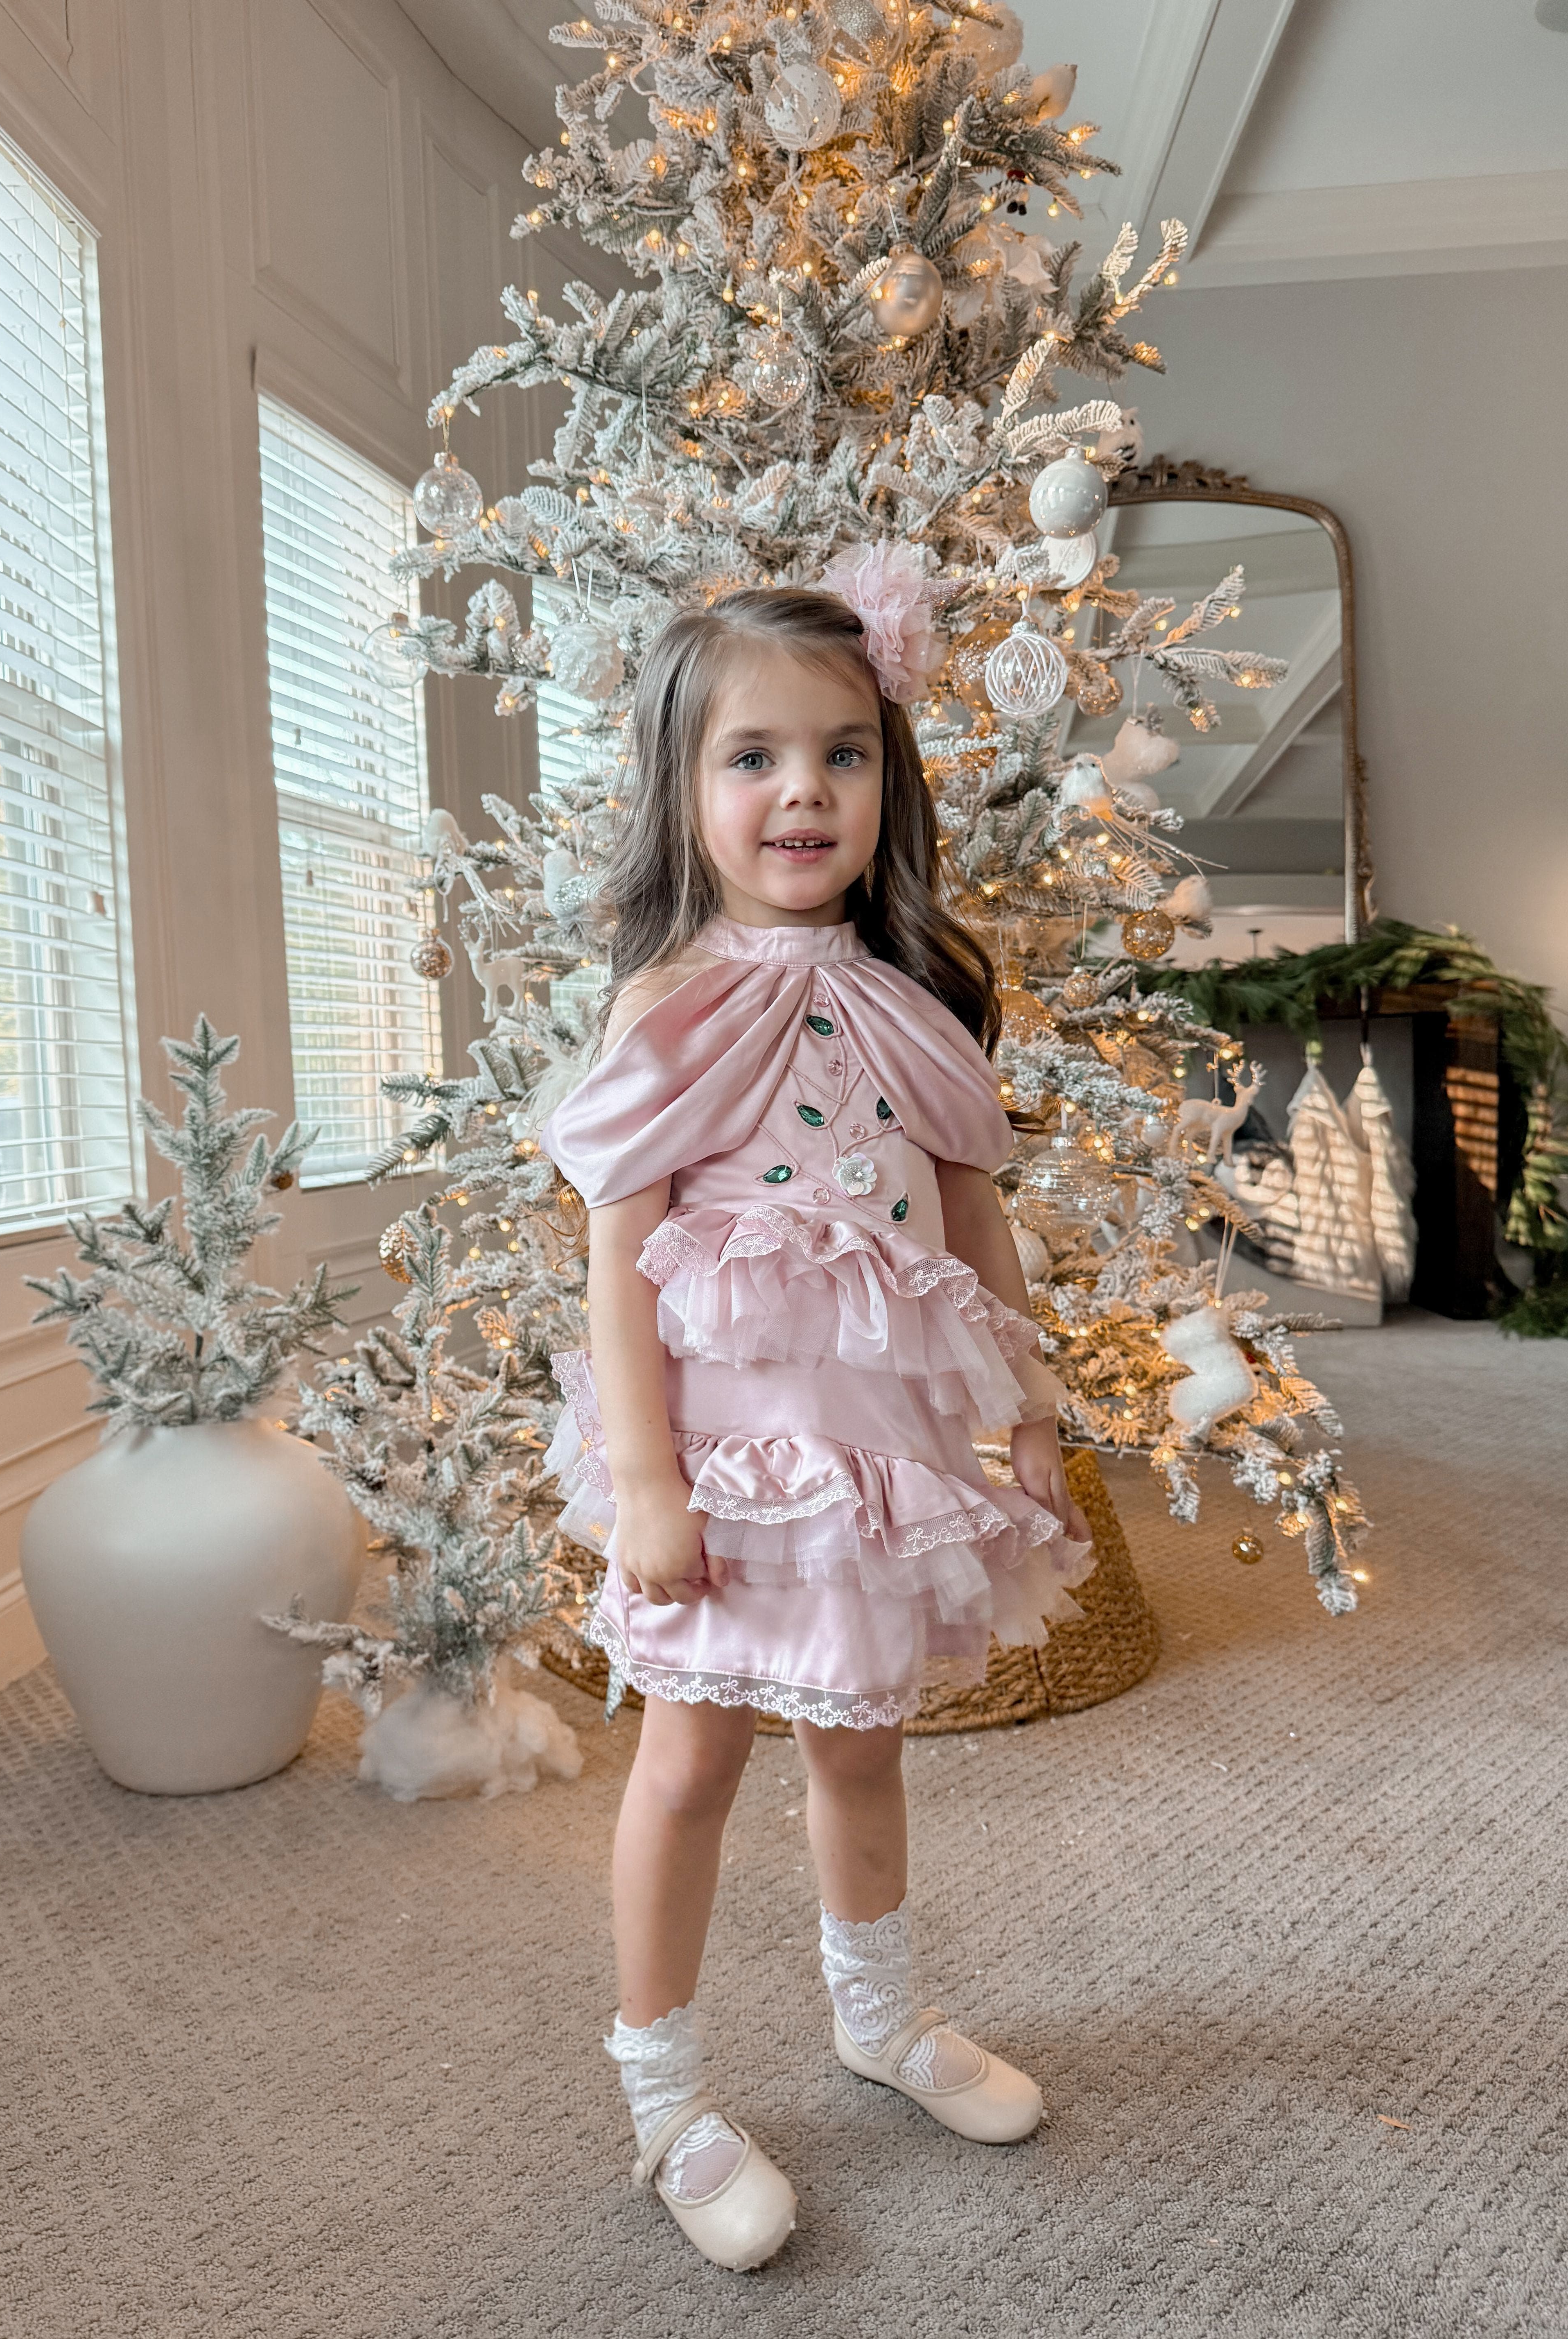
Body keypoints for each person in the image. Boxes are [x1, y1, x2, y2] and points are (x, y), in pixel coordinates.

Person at [542, 577, 1094, 2271]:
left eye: (844, 755)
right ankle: (665, 2101)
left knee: (861, 1740)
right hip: (722, 1467)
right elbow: (616, 1267)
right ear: (682, 790)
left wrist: (1021, 1416)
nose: (802, 793)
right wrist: (645, 1481)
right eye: (755, 758)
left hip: (875, 1468)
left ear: (888, 783)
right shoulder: (668, 1009)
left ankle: (879, 2019)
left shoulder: (910, 1002)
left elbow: (971, 1220)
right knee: (693, 1760)